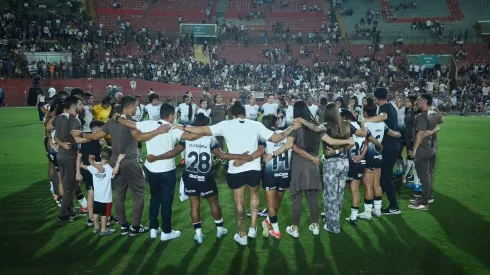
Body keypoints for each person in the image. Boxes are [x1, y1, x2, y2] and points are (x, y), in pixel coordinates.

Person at [173, 102, 301, 245]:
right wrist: (292, 127)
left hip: (236, 169)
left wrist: (182, 127)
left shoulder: (225, 124)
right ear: (244, 113)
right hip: (254, 168)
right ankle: (253, 227)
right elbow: (277, 138)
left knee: (239, 202)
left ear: (231, 114)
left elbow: (202, 130)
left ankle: (242, 234)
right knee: (254, 196)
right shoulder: (255, 124)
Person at [146, 113, 254, 244]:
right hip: (205, 177)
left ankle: (198, 235)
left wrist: (156, 157)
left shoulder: (186, 137)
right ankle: (220, 230)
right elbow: (221, 155)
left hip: (190, 176)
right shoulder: (210, 138)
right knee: (213, 203)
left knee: (194, 205)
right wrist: (241, 156)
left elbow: (175, 152)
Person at [77, 96, 171, 236]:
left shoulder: (111, 122)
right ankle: (135, 227)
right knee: (138, 194)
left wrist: (81, 134)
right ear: (131, 106)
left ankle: (124, 226)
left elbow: (96, 137)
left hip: (114, 161)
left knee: (120, 194)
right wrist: (159, 131)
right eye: (136, 107)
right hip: (130, 161)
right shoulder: (130, 122)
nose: (136, 110)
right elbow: (139, 138)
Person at [114, 103, 202, 240]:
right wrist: (205, 133)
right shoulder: (172, 128)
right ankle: (166, 232)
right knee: (166, 202)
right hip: (167, 170)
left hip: (151, 170)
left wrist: (117, 117)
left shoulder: (148, 124)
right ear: (171, 115)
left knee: (154, 199)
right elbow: (189, 137)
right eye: (175, 115)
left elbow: (129, 123)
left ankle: (154, 229)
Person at [270, 101, 354, 237]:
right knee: (312, 197)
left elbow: (291, 145)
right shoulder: (317, 127)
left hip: (298, 165)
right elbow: (332, 142)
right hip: (313, 165)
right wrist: (348, 141)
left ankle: (295, 229)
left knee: (296, 197)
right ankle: (315, 226)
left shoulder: (295, 127)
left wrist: (272, 154)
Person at [359, 98, 401, 220]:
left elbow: (365, 140)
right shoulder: (382, 124)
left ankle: (367, 213)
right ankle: (377, 210)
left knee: (368, 185)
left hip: (368, 155)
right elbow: (394, 134)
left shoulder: (365, 124)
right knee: (377, 183)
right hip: (379, 155)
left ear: (365, 113)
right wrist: (400, 134)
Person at [47, 96, 86, 221]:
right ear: (73, 106)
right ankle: (62, 215)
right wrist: (95, 137)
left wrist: (56, 141)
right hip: (70, 156)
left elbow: (48, 128)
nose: (82, 106)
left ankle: (71, 212)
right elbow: (77, 139)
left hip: (61, 155)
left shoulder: (58, 117)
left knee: (67, 185)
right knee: (71, 188)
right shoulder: (75, 120)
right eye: (80, 104)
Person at [259, 115, 291, 239]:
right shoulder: (286, 134)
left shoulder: (263, 137)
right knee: (277, 203)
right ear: (275, 123)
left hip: (270, 174)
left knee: (272, 205)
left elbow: (259, 153)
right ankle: (269, 223)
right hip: (285, 173)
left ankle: (274, 228)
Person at [409, 94, 443, 211]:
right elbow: (440, 122)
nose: (416, 102)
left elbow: (420, 133)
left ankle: (423, 203)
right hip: (433, 148)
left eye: (418, 100)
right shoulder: (434, 111)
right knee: (430, 174)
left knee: (424, 176)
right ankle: (427, 197)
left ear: (424, 101)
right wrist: (432, 131)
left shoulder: (422, 116)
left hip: (423, 149)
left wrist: (414, 149)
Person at [81, 148, 124, 235]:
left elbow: (86, 167)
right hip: (106, 197)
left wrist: (81, 165)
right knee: (105, 214)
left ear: (100, 155)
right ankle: (104, 230)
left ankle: (96, 227)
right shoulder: (107, 167)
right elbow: (115, 172)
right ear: (109, 157)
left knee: (96, 212)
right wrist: (118, 161)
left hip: (97, 196)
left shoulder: (95, 165)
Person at [77, 120, 109, 227]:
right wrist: (98, 167)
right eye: (102, 130)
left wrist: (78, 171)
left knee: (93, 193)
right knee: (93, 194)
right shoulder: (94, 143)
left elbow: (79, 156)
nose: (104, 132)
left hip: (86, 171)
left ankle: (95, 217)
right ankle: (93, 218)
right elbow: (91, 159)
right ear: (96, 131)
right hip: (91, 172)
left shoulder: (86, 141)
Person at [402, 96, 417, 186]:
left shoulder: (415, 112)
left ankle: (406, 176)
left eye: (408, 101)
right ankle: (409, 176)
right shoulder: (407, 111)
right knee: (410, 155)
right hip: (407, 135)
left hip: (412, 136)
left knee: (411, 156)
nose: (406, 102)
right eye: (405, 101)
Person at [394, 96, 406, 176]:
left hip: (403, 135)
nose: (398, 103)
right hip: (396, 134)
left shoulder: (405, 110)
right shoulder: (395, 110)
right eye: (397, 101)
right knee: (396, 154)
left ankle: (405, 169)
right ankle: (399, 169)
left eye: (400, 101)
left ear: (403, 102)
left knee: (399, 153)